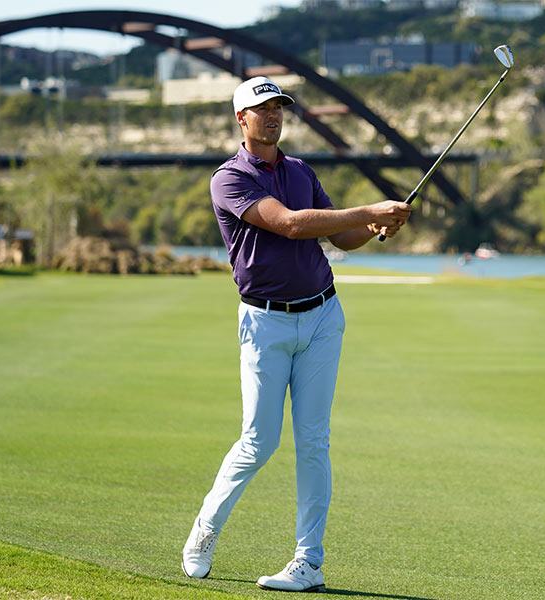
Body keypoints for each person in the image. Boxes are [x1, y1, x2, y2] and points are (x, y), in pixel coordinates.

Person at [180, 76, 411, 593]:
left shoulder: (301, 171)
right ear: (242, 118)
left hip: (323, 316)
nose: (274, 116)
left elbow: (339, 236)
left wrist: (374, 229)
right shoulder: (229, 179)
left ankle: (308, 561)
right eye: (263, 109)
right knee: (258, 442)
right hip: (265, 322)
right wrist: (370, 208)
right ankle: (205, 530)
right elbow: (288, 224)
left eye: (280, 107)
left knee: (313, 443)